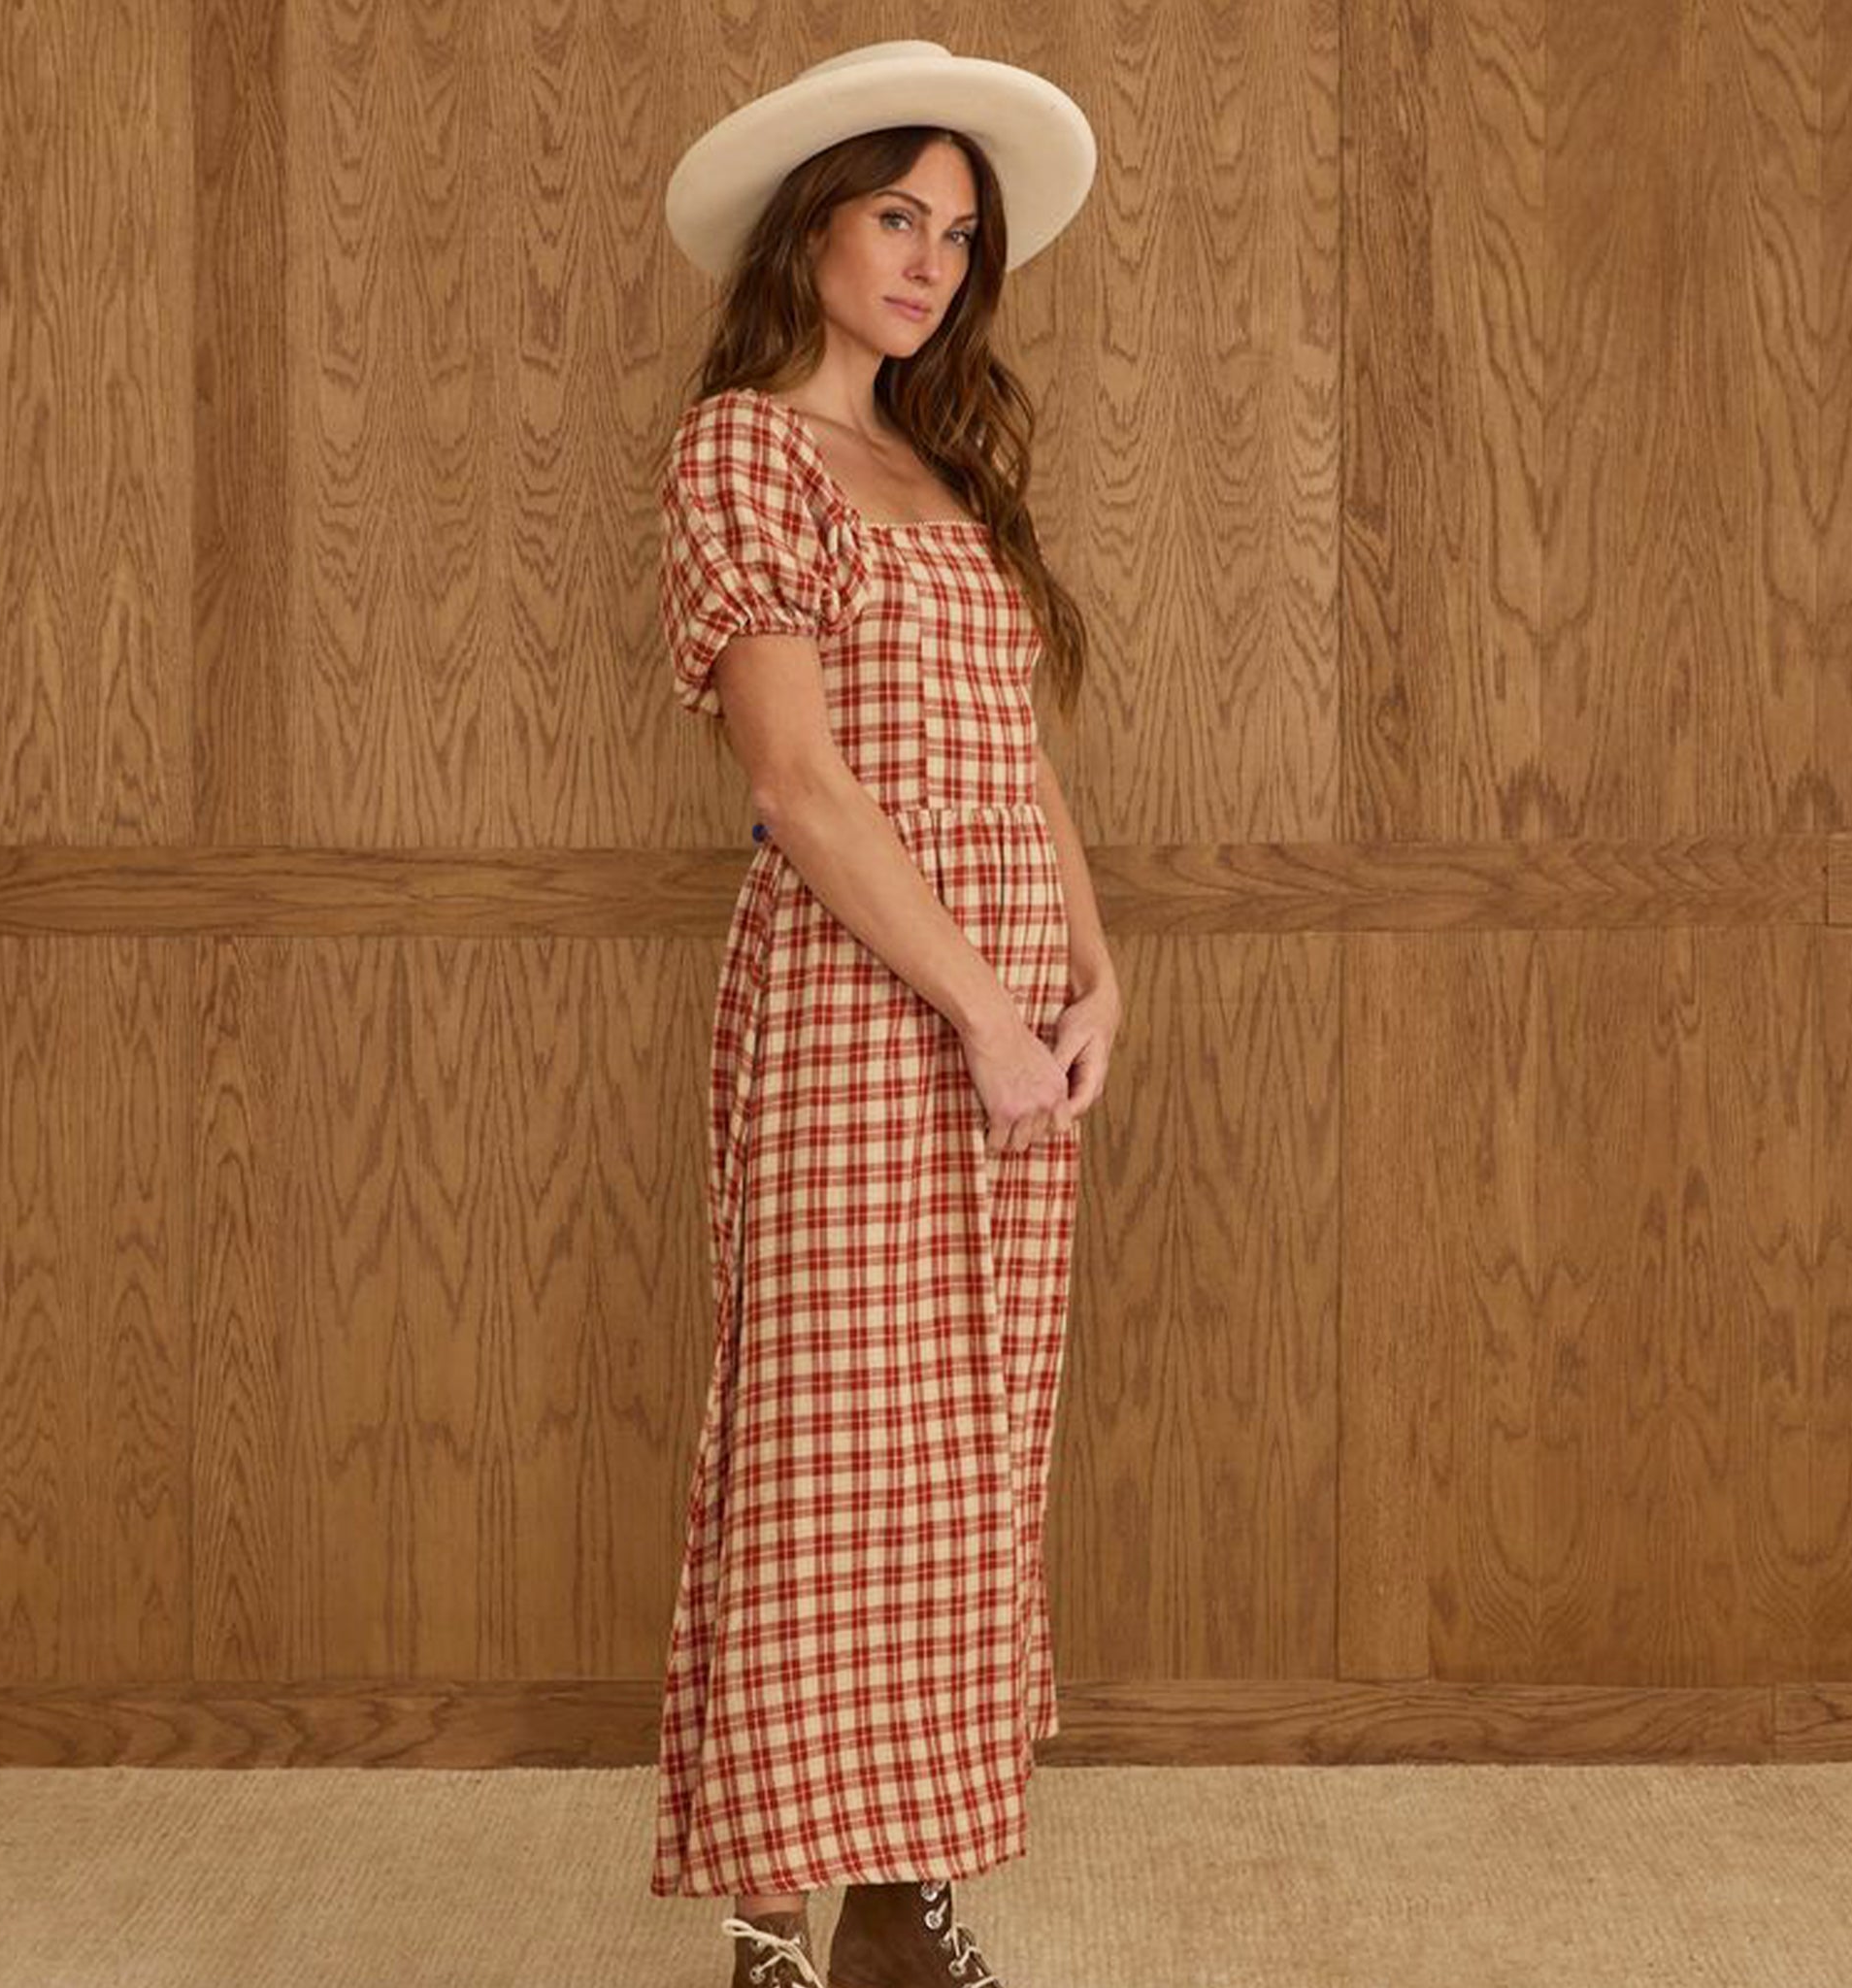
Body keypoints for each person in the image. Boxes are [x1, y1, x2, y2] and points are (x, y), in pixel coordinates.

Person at [651, 41, 1118, 1988]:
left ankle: (905, 1893)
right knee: (831, 1435)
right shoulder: (741, 451)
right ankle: (776, 1913)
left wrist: (1096, 970)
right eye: (893, 215)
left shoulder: (940, 465)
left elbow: (1015, 768)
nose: (928, 260)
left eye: (956, 231)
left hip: (1010, 992)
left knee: (969, 1446)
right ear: (814, 227)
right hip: (862, 1002)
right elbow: (808, 790)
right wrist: (979, 1015)